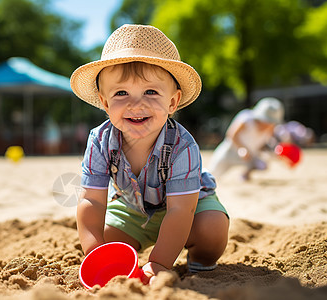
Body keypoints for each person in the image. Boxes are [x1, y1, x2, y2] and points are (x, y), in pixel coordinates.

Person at [70, 24, 229, 284]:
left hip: (189, 206)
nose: (136, 104)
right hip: (133, 208)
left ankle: (200, 263)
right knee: (108, 241)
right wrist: (95, 251)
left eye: (151, 92)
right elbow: (93, 201)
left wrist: (159, 263)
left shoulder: (182, 146)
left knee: (212, 229)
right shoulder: (99, 141)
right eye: (121, 93)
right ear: (105, 103)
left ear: (172, 102)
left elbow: (181, 211)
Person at [208, 97, 285, 181]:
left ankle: (245, 175)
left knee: (262, 165)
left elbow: (262, 145)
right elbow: (231, 134)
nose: (267, 124)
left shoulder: (270, 129)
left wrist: (275, 153)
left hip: (249, 156)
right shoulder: (246, 119)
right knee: (212, 174)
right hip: (230, 152)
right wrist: (241, 148)